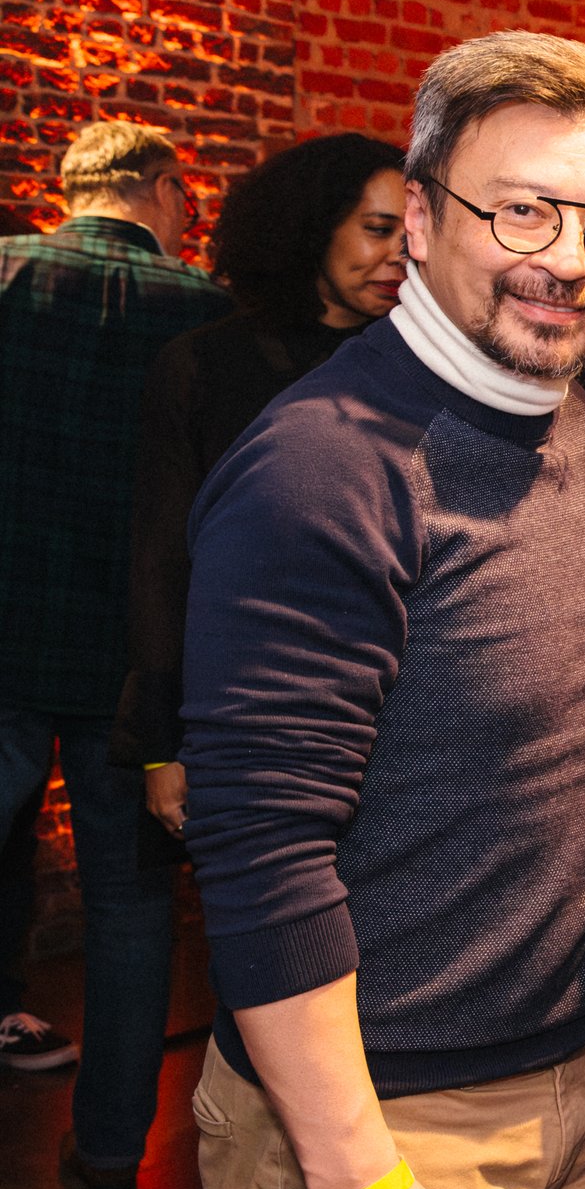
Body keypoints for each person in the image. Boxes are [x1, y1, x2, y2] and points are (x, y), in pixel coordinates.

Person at [181, 31, 585, 1189]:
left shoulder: (555, 409)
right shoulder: (326, 468)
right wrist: (354, 1182)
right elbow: (260, 842)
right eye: (524, 210)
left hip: (564, 1079)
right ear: (426, 215)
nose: (566, 257)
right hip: (379, 1120)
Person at [0, 120, 228, 1187]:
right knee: (131, 911)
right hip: (132, 658)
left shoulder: (6, 273)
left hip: (4, 634)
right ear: (163, 189)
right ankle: (105, 1150)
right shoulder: (204, 313)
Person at [111, 132, 408, 836]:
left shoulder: (413, 367)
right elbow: (161, 560)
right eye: (377, 228)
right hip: (245, 714)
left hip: (393, 722)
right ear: (311, 227)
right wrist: (161, 747)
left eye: (410, 230)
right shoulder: (207, 366)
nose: (399, 251)